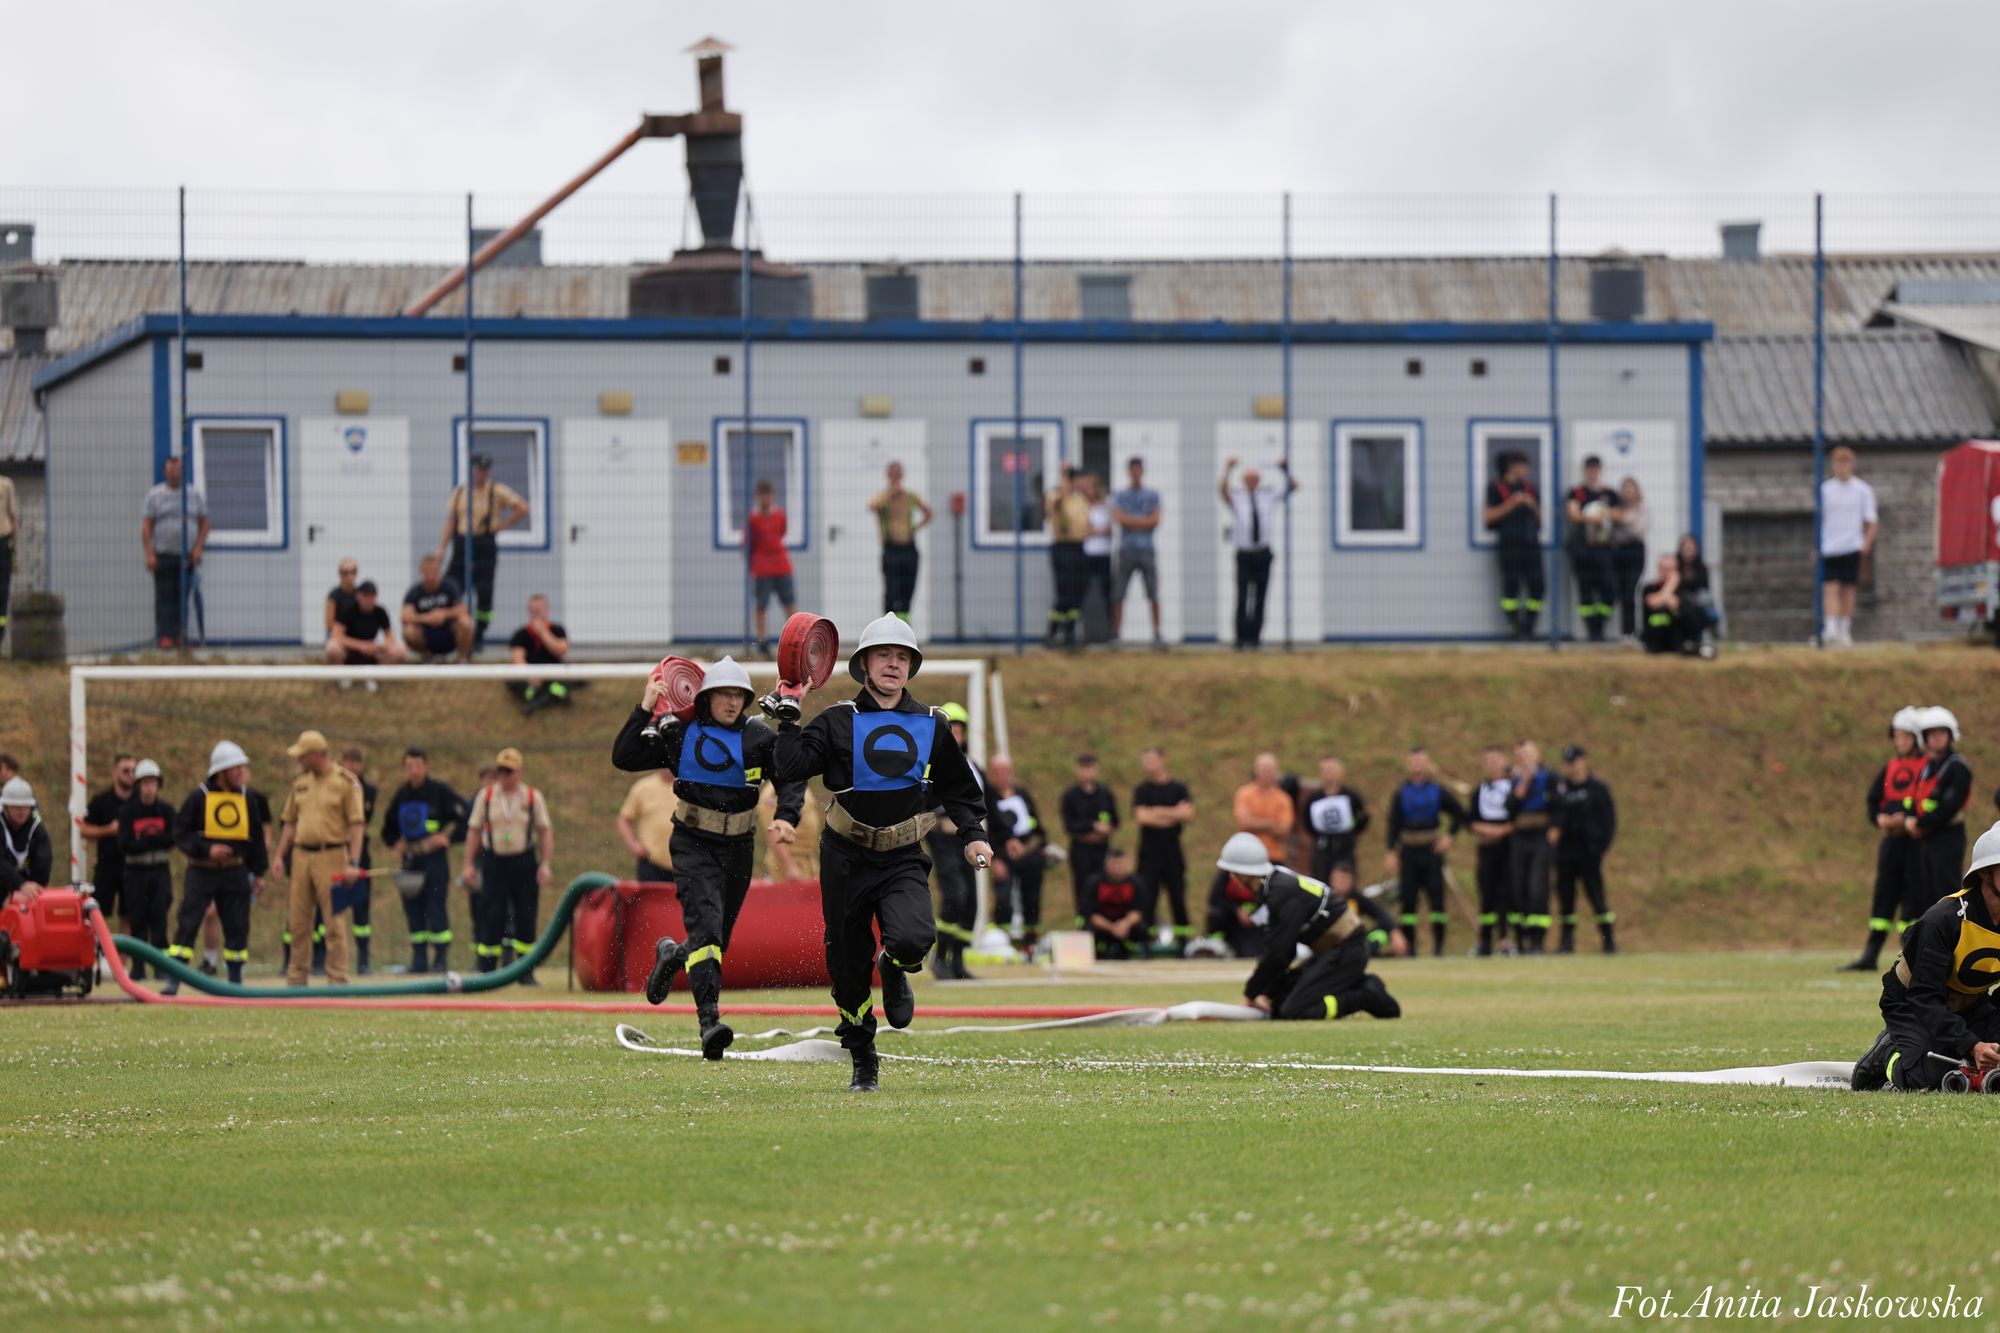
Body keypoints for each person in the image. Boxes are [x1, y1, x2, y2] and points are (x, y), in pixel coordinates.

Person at [764, 614, 994, 1092]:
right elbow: (790, 766)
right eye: (884, 655)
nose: (893, 664)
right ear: (864, 664)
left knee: (913, 938)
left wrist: (973, 833)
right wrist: (788, 716)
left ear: (912, 667)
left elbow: (960, 787)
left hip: (903, 855)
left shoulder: (934, 725)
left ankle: (895, 967)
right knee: (847, 965)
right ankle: (863, 1057)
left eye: (902, 657)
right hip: (844, 856)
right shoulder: (835, 721)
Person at [612, 657, 807, 1060]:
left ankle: (673, 955)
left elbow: (791, 773)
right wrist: (645, 707)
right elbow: (625, 756)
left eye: (739, 695)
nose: (732, 702)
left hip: (739, 848)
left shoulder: (758, 737)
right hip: (691, 843)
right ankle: (709, 1022)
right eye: (723, 694)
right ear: (705, 697)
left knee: (717, 939)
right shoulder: (680, 733)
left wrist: (788, 816)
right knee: (707, 932)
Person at [1849, 819, 2000, 1092]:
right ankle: (1887, 1055)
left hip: (1969, 1003)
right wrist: (1972, 1044)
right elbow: (1925, 997)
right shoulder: (1943, 921)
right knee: (1927, 1078)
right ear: (1986, 874)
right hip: (1912, 1001)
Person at [1218, 834, 1404, 1021]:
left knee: (1293, 1011)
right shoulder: (1274, 884)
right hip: (1331, 951)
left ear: (1245, 872)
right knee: (1277, 1001)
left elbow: (1280, 952)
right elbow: (1277, 948)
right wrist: (1267, 990)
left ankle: (1366, 995)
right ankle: (1357, 985)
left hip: (1346, 951)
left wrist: (1251, 993)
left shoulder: (1280, 893)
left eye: (1232, 871)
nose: (1231, 876)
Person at [164, 741, 268, 993]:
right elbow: (181, 833)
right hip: (202, 871)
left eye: (244, 768)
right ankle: (174, 980)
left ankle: (235, 982)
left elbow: (255, 838)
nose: (242, 773)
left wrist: (259, 872)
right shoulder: (198, 797)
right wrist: (206, 849)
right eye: (236, 768)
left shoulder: (248, 799)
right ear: (221, 771)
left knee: (237, 926)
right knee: (188, 923)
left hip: (235, 872)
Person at [270, 730, 365, 988]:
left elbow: (356, 825)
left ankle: (337, 979)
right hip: (301, 856)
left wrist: (353, 862)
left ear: (316, 755)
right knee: (298, 922)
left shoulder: (345, 782)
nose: (298, 759)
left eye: (302, 755)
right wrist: (280, 856)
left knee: (334, 922)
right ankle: (297, 979)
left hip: (332, 855)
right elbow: (289, 822)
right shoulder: (300, 783)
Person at [1842, 708, 1929, 972]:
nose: (1901, 741)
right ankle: (1871, 953)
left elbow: (1928, 802)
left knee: (1913, 898)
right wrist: (1879, 818)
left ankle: (1909, 954)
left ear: (1916, 738)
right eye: (1897, 736)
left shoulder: (1927, 768)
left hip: (1915, 844)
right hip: (1891, 844)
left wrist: (1908, 819)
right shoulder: (1891, 767)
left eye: (1906, 736)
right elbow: (1872, 800)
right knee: (1884, 895)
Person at [462, 747, 554, 978]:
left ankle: (525, 971)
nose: (503, 775)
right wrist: (468, 865)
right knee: (492, 914)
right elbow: (473, 831)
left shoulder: (533, 797)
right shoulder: (487, 796)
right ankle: (488, 969)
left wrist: (545, 863)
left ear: (519, 772)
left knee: (526, 915)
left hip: (523, 862)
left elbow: (544, 831)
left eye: (509, 771)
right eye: (500, 770)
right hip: (494, 862)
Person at [380, 748, 466, 974]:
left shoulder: (440, 792)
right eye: (409, 766)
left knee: (436, 907)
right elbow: (387, 828)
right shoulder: (402, 795)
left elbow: (466, 816)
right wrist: (395, 842)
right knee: (413, 910)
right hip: (410, 861)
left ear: (426, 766)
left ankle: (440, 959)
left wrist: (448, 837)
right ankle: (419, 960)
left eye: (418, 765)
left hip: (434, 861)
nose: (414, 771)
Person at [436, 452, 529, 651]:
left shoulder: (497, 491)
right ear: (473, 470)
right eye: (479, 469)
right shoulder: (461, 492)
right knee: (452, 587)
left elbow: (522, 507)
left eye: (485, 470)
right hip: (462, 543)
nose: (482, 473)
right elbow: (451, 520)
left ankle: (478, 634)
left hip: (485, 543)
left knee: (484, 591)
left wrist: (502, 525)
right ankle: (451, 634)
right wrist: (442, 547)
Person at [926, 701, 992, 979]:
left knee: (971, 902)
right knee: (955, 895)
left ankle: (958, 960)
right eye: (949, 728)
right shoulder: (931, 766)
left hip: (970, 841)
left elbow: (988, 806)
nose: (955, 733)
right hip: (943, 840)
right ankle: (940, 957)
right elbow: (924, 805)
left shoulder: (973, 766)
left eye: (958, 729)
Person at [1385, 747, 1469, 958]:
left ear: (1428, 764)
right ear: (1408, 764)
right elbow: (1393, 824)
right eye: (1414, 762)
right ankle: (1410, 948)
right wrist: (1391, 852)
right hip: (1409, 852)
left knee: (1437, 901)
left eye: (1421, 762)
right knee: (1408, 902)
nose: (1417, 766)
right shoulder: (1401, 793)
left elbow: (1459, 813)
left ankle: (1439, 947)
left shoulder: (1437, 791)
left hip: (1432, 852)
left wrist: (1449, 837)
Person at [1218, 456, 1295, 650]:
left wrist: (1284, 470)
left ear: (1258, 480)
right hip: (1244, 554)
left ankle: (1254, 639)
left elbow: (1293, 486)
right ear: (1244, 481)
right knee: (1242, 596)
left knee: (1260, 597)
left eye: (1255, 478)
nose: (1252, 482)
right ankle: (1240, 638)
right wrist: (1228, 469)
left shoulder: (1267, 495)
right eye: (1248, 478)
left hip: (1263, 553)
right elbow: (1222, 491)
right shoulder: (1237, 496)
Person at [1904, 707, 1972, 920]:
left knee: (1948, 894)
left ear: (1950, 735)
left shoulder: (1957, 767)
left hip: (1947, 837)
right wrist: (1909, 819)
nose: (1936, 738)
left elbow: (1949, 805)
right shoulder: (1927, 767)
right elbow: (1914, 798)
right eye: (1931, 734)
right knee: (1927, 895)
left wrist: (1921, 824)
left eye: (1941, 733)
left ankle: (1956, 943)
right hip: (1926, 838)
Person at [1551, 745, 1618, 953]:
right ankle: (1566, 943)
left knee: (1597, 898)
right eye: (1568, 763)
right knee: (1566, 900)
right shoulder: (1561, 789)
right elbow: (1554, 817)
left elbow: (1609, 821)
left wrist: (1600, 847)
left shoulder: (1598, 788)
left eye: (1575, 761)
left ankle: (1608, 941)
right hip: (1565, 853)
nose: (1572, 767)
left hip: (1589, 852)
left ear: (1584, 760)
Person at [140, 455, 209, 650]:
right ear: (165, 472)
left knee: (182, 596)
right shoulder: (155, 495)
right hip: (163, 554)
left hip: (186, 556)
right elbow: (146, 527)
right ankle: (165, 636)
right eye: (171, 470)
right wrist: (150, 554)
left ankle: (181, 635)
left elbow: (204, 523)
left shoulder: (193, 495)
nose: (175, 474)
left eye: (178, 470)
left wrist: (198, 548)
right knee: (164, 597)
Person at [116, 759, 175, 978]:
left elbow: (173, 837)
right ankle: (138, 966)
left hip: (159, 870)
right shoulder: (128, 812)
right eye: (145, 783)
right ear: (139, 785)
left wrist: (148, 840)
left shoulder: (167, 811)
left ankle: (161, 966)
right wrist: (152, 840)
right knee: (137, 918)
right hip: (136, 872)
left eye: (153, 783)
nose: (149, 788)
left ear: (158, 785)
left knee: (159, 917)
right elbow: (124, 843)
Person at [1131, 747, 1195, 945]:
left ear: (1162, 761)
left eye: (1152, 760)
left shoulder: (1178, 789)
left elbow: (1188, 815)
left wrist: (1157, 812)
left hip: (1172, 851)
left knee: (1177, 896)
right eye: (1145, 760)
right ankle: (1146, 940)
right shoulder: (1142, 790)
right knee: (1147, 897)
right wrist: (1173, 813)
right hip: (1149, 852)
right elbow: (1142, 817)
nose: (1148, 765)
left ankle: (1184, 939)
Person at [1819, 445, 1877, 647]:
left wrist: (1866, 544)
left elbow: (1871, 520)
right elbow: (1820, 519)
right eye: (1837, 463)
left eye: (1845, 463)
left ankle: (1845, 630)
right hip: (1829, 547)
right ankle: (1831, 628)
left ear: (1852, 464)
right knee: (1829, 587)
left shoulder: (1863, 490)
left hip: (1852, 546)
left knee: (1848, 589)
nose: (1841, 467)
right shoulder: (1825, 490)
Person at [1483, 450, 1544, 640]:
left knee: (1538, 585)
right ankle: (1514, 627)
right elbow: (1489, 517)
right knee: (1512, 586)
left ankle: (1529, 626)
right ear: (1511, 467)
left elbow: (1540, 520)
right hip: (1509, 544)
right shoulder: (1496, 488)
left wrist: (1532, 505)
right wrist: (1513, 503)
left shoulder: (1530, 488)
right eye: (1522, 466)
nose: (1526, 470)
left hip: (1531, 543)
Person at [986, 753, 1046, 948]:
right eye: (997, 772)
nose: (1001, 776)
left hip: (1029, 856)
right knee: (1004, 900)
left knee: (1032, 900)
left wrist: (1027, 848)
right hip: (1002, 857)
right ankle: (1003, 942)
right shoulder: (988, 798)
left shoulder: (1022, 795)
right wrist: (995, 860)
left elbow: (1037, 829)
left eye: (1005, 771)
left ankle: (1030, 943)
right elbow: (986, 831)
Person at [1507, 739, 1559, 953]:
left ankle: (1538, 939)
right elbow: (1509, 807)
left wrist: (1556, 828)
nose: (1525, 760)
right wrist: (1524, 783)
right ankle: (1520, 937)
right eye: (1521, 756)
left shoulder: (1550, 777)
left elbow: (1559, 804)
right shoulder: (1514, 780)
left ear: (1537, 754)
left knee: (1538, 888)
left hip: (1541, 838)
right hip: (1519, 838)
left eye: (1528, 754)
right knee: (1517, 888)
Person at [79, 754, 137, 941]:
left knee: (128, 916)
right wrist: (108, 830)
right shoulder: (102, 800)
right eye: (125, 771)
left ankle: (122, 962)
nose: (130, 775)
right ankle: (98, 955)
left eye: (133, 771)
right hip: (107, 864)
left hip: (133, 865)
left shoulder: (139, 802)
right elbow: (84, 830)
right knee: (98, 913)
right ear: (115, 773)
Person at [1564, 455, 1619, 643]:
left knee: (1609, 589)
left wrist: (1608, 514)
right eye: (1590, 468)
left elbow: (1618, 514)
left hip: (1604, 549)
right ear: (1585, 470)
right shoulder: (1577, 492)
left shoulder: (1609, 493)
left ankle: (1601, 624)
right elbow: (1573, 514)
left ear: (1600, 470)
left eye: (1596, 468)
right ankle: (1592, 630)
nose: (1593, 472)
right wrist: (1592, 518)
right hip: (1582, 549)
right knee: (1585, 590)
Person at [869, 462, 932, 623]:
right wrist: (890, 494)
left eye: (898, 473)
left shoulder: (910, 496)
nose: (896, 477)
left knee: (908, 587)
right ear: (888, 475)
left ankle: (904, 623)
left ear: (902, 475)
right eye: (893, 473)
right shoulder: (882, 497)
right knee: (892, 589)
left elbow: (928, 512)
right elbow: (872, 506)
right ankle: (888, 623)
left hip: (909, 548)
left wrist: (914, 528)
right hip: (891, 549)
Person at [1060, 754, 1119, 925]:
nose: (1087, 772)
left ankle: (1105, 925)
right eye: (1083, 768)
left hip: (1102, 849)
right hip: (1081, 849)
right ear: (1077, 770)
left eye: (1091, 767)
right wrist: (1093, 826)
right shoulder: (1070, 796)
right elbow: (1070, 825)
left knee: (1104, 886)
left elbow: (1115, 819)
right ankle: (1084, 924)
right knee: (1083, 888)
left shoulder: (1105, 793)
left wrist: (1107, 828)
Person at [1111, 456, 1164, 646]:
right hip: (1127, 550)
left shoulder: (1153, 494)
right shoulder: (1120, 495)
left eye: (1138, 470)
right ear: (1128, 471)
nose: (1135, 474)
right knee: (1118, 593)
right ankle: (1116, 633)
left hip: (1146, 550)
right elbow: (1120, 519)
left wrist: (1132, 521)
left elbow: (1155, 520)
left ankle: (1157, 633)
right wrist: (1143, 521)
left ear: (1142, 471)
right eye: (1132, 470)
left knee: (1153, 593)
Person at [1469, 746, 1516, 957]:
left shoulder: (1515, 787)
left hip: (1509, 847)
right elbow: (1470, 820)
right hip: (1486, 847)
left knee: (1506, 893)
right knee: (1486, 893)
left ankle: (1506, 940)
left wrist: (1503, 830)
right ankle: (1484, 940)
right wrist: (1488, 830)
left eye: (1496, 759)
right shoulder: (1480, 790)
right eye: (1488, 760)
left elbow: (1519, 814)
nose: (1493, 764)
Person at [339, 743, 380, 974]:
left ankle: (363, 959)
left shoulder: (368, 790)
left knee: (361, 908)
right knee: (331, 907)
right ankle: (322, 958)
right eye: (348, 761)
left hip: (359, 853)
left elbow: (362, 821)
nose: (352, 766)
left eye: (356, 762)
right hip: (335, 851)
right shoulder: (333, 786)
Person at [746, 478, 796, 656]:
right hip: (762, 568)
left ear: (773, 497)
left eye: (768, 496)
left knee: (789, 603)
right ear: (757, 497)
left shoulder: (779, 515)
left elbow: (781, 532)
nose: (765, 500)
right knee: (761, 605)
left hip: (782, 565)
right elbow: (747, 543)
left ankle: (794, 640)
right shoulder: (752, 518)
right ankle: (762, 641)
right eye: (762, 496)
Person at [1302, 757, 1370, 884]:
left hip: (1345, 851)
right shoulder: (1314, 798)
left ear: (1340, 772)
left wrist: (1351, 832)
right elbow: (1308, 823)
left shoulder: (1351, 796)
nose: (1328, 773)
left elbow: (1361, 819)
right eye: (1325, 770)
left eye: (1332, 770)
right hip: (1323, 851)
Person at [1045, 465, 1091, 646]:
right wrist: (1063, 475)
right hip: (1062, 547)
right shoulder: (1055, 495)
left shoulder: (1080, 500)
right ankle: (1053, 630)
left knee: (1077, 590)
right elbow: (1055, 506)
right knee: (1063, 591)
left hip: (1078, 547)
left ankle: (1070, 631)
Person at [508, 593, 574, 715]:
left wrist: (543, 633)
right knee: (513, 682)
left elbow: (562, 649)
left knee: (563, 684)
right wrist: (530, 674)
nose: (536, 614)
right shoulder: (521, 634)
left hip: (553, 675)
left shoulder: (557, 629)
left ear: (547, 610)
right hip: (532, 678)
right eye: (533, 610)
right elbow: (517, 659)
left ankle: (545, 698)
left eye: (539, 610)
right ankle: (541, 697)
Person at [402, 555, 474, 663]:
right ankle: (427, 656)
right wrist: (426, 618)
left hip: (449, 631)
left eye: (434, 570)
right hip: (426, 633)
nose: (431, 574)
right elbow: (405, 616)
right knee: (408, 631)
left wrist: (444, 614)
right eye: (427, 571)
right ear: (421, 572)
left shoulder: (450, 586)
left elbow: (463, 609)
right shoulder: (414, 592)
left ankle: (462, 659)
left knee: (466, 622)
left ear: (439, 571)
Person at [1639, 554, 1713, 658]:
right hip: (1654, 644)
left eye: (1668, 569)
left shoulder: (1684, 592)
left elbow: (1695, 623)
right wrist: (1670, 587)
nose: (1664, 573)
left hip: (1677, 644)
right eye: (1662, 568)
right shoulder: (1649, 588)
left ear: (1676, 571)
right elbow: (1652, 602)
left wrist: (1676, 607)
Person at [1081, 847, 1145, 959]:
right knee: (1088, 930)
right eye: (1115, 864)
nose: (1118, 868)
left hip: (1125, 924)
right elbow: (1091, 914)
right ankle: (1097, 953)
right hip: (1104, 924)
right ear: (1106, 865)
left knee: (1142, 929)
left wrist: (1125, 924)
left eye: (1121, 864)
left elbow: (1138, 911)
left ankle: (1135, 952)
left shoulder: (1136, 882)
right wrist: (1111, 928)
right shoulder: (1094, 882)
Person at [617, 768, 678, 885]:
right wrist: (633, 845)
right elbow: (624, 819)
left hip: (683, 865)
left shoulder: (687, 789)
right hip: (651, 864)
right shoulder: (643, 787)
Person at [327, 580, 406, 666]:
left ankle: (376, 675)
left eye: (371, 596)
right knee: (332, 647)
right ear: (358, 596)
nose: (368, 599)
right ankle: (343, 676)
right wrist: (361, 646)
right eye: (365, 596)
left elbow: (391, 637)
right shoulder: (348, 609)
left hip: (372, 651)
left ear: (376, 596)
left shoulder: (380, 612)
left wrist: (378, 646)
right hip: (349, 651)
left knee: (400, 650)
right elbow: (336, 635)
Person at [1610, 477, 1648, 641]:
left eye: (1631, 488)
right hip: (1619, 552)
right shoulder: (1615, 507)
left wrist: (1622, 518)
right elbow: (1610, 531)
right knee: (1620, 590)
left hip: (1635, 551)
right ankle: (1623, 631)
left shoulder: (1642, 508)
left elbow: (1637, 530)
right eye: (1625, 488)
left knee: (1631, 590)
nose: (1628, 492)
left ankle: (1632, 630)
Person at [0, 777, 53, 896]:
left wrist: (31, 888)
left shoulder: (37, 830)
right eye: (16, 807)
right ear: (6, 807)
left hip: (23, 881)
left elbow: (43, 864)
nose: (22, 811)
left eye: (26, 806)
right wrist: (20, 885)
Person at [1081, 474, 1115, 635]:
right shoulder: (1080, 506)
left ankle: (1111, 630)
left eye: (1090, 486)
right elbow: (1080, 530)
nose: (1087, 490)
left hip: (1103, 554)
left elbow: (1110, 528)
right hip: (1086, 555)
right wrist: (1094, 531)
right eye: (1085, 487)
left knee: (1107, 593)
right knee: (1081, 592)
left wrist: (1094, 531)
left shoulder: (1106, 505)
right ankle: (1077, 631)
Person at [1675, 534, 1722, 641]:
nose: (1689, 551)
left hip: (1698, 601)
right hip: (1682, 601)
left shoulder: (1701, 567)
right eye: (1686, 548)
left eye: (1691, 548)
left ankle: (1715, 634)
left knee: (1709, 608)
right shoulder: (1676, 567)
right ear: (1681, 549)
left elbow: (1704, 588)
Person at [323, 559, 360, 646]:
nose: (349, 575)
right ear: (340, 574)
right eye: (345, 572)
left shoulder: (360, 595)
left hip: (356, 633)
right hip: (337, 634)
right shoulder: (333, 595)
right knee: (333, 648)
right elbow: (329, 624)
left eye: (353, 572)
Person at [0, 466, 17, 651]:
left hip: (3, 541)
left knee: (3, 590)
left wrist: (15, 550)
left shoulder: (5, 485)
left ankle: (1, 634)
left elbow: (13, 519)